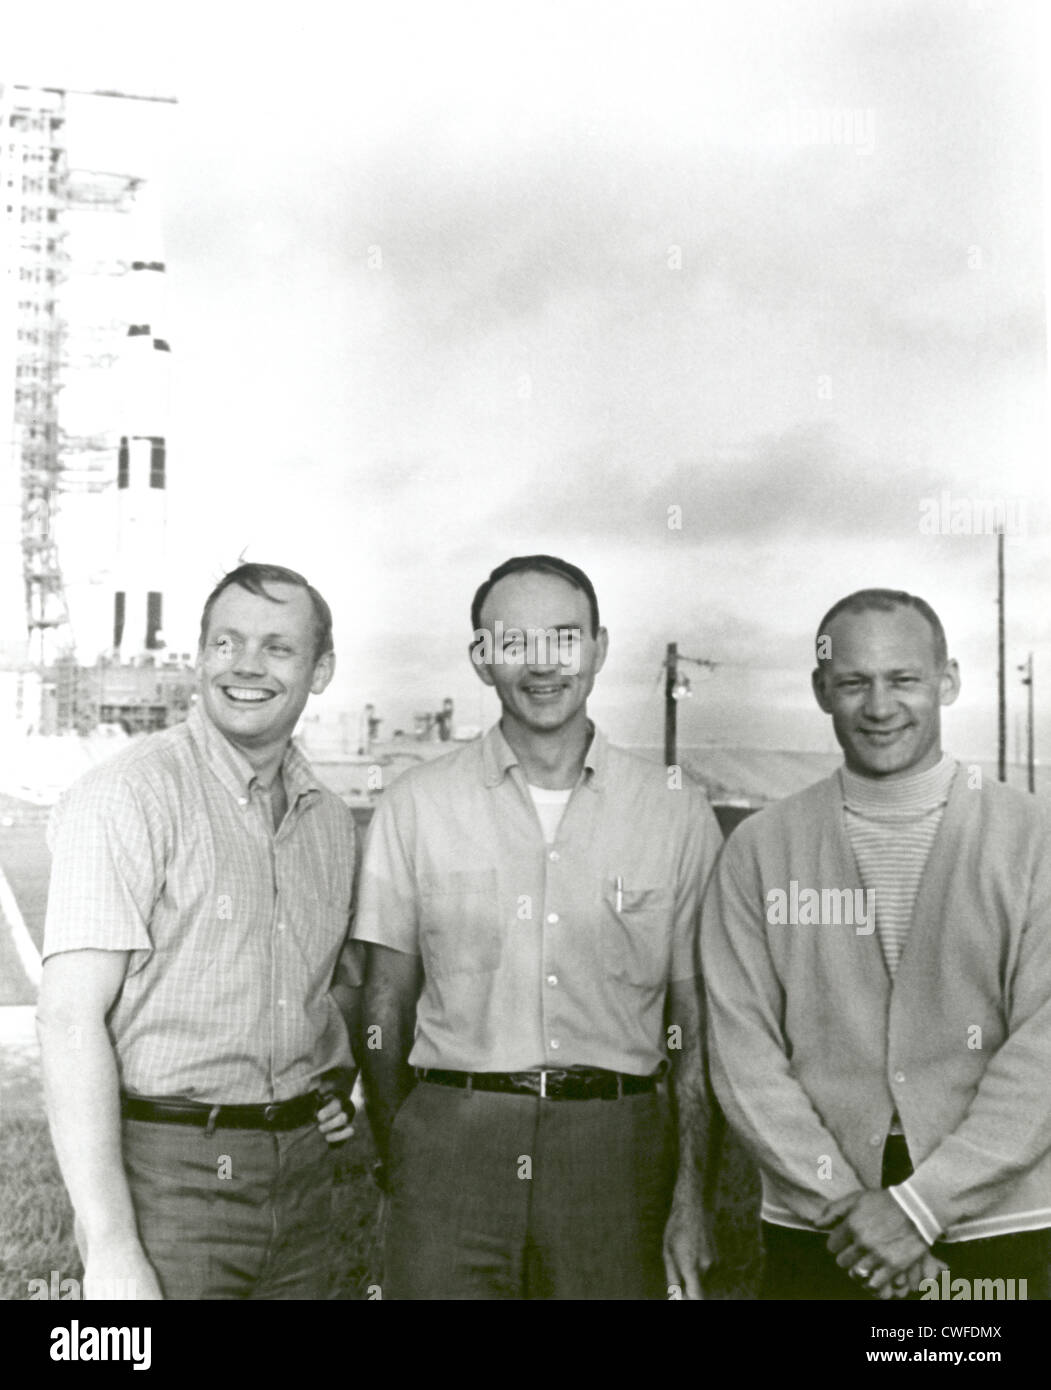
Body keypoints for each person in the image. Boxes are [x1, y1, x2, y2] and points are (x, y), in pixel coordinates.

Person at [353, 554, 723, 1300]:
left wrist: (691, 1194)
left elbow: (695, 1023)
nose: (542, 664)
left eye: (563, 638)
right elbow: (383, 1001)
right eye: (512, 642)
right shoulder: (414, 805)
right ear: (481, 660)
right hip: (452, 1147)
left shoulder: (676, 812)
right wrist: (407, 1151)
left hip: (615, 1155)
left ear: (598, 648)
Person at [702, 588, 1051, 1300]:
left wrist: (921, 1205)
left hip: (997, 1225)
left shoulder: (1032, 838)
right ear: (820, 689)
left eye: (904, 679)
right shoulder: (760, 848)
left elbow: (1042, 1049)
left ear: (947, 680)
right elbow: (743, 1053)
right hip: (820, 1227)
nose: (879, 706)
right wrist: (848, 1207)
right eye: (854, 682)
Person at [37, 563, 360, 1300]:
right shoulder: (127, 794)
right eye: (227, 641)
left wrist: (328, 1084)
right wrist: (113, 1245)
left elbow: (316, 992)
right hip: (166, 1173)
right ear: (199, 655)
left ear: (321, 670)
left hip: (301, 1177)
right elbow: (66, 1017)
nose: (246, 664)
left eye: (278, 648)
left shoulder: (330, 822)